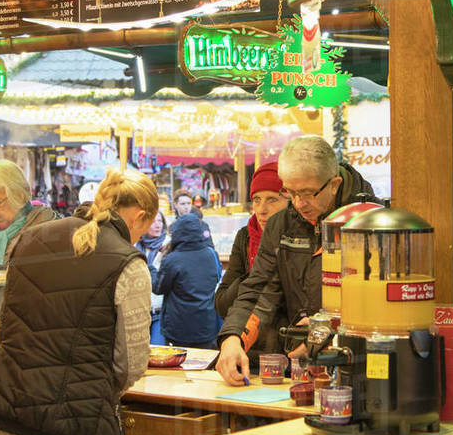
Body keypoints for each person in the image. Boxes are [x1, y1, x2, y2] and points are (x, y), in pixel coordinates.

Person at [0, 169, 158, 435]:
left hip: (5, 425)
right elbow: (131, 365)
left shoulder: (30, 238)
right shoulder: (128, 262)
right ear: (139, 217)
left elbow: (10, 326)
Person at [216, 135, 376, 386]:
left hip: (361, 366)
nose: (299, 204)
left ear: (334, 184)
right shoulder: (281, 225)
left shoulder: (370, 221)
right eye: (290, 192)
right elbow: (259, 291)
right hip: (302, 369)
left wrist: (326, 328)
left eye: (307, 193)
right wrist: (233, 338)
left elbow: (379, 305)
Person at [215, 162, 288, 355]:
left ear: (290, 201)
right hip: (248, 349)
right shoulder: (245, 236)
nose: (262, 209)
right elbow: (221, 304)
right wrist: (255, 277)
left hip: (289, 354)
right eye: (256, 199)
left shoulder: (297, 240)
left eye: (272, 199)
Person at [153, 214, 222, 349]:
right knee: (203, 365)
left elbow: (158, 288)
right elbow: (218, 278)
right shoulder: (211, 254)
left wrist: (151, 269)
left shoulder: (172, 259)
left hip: (178, 329)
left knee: (177, 367)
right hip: (206, 326)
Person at [138, 210, 168, 345]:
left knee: (157, 348)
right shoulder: (135, 245)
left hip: (159, 309)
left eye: (160, 221)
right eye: (153, 221)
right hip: (138, 309)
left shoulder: (169, 245)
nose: (157, 225)